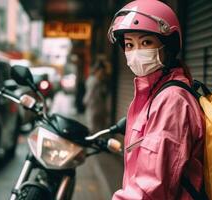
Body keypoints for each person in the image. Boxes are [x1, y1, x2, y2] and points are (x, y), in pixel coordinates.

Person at [107, 0, 205, 199]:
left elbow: (151, 187)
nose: (135, 52)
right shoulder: (154, 93)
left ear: (167, 46)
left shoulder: (172, 101)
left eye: (146, 42)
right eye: (129, 44)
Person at [83, 59, 110, 133]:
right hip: (93, 106)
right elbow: (89, 93)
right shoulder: (93, 80)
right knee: (92, 127)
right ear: (97, 71)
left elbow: (104, 95)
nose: (101, 74)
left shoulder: (101, 82)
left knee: (100, 127)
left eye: (103, 72)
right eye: (101, 72)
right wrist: (86, 101)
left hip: (100, 108)